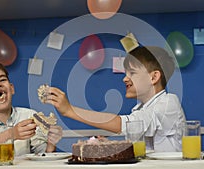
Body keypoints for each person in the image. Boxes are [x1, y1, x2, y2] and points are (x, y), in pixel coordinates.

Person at [44, 46, 186, 152]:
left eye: (132, 73)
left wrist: (69, 110)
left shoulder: (168, 103)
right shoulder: (140, 109)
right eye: (126, 73)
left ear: (154, 77)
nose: (125, 78)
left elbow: (122, 124)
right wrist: (112, 145)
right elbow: (141, 151)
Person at [0, 59, 62, 160]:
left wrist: (51, 144)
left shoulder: (29, 116)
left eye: (2, 80)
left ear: (11, 89)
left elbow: (43, 155)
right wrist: (11, 134)